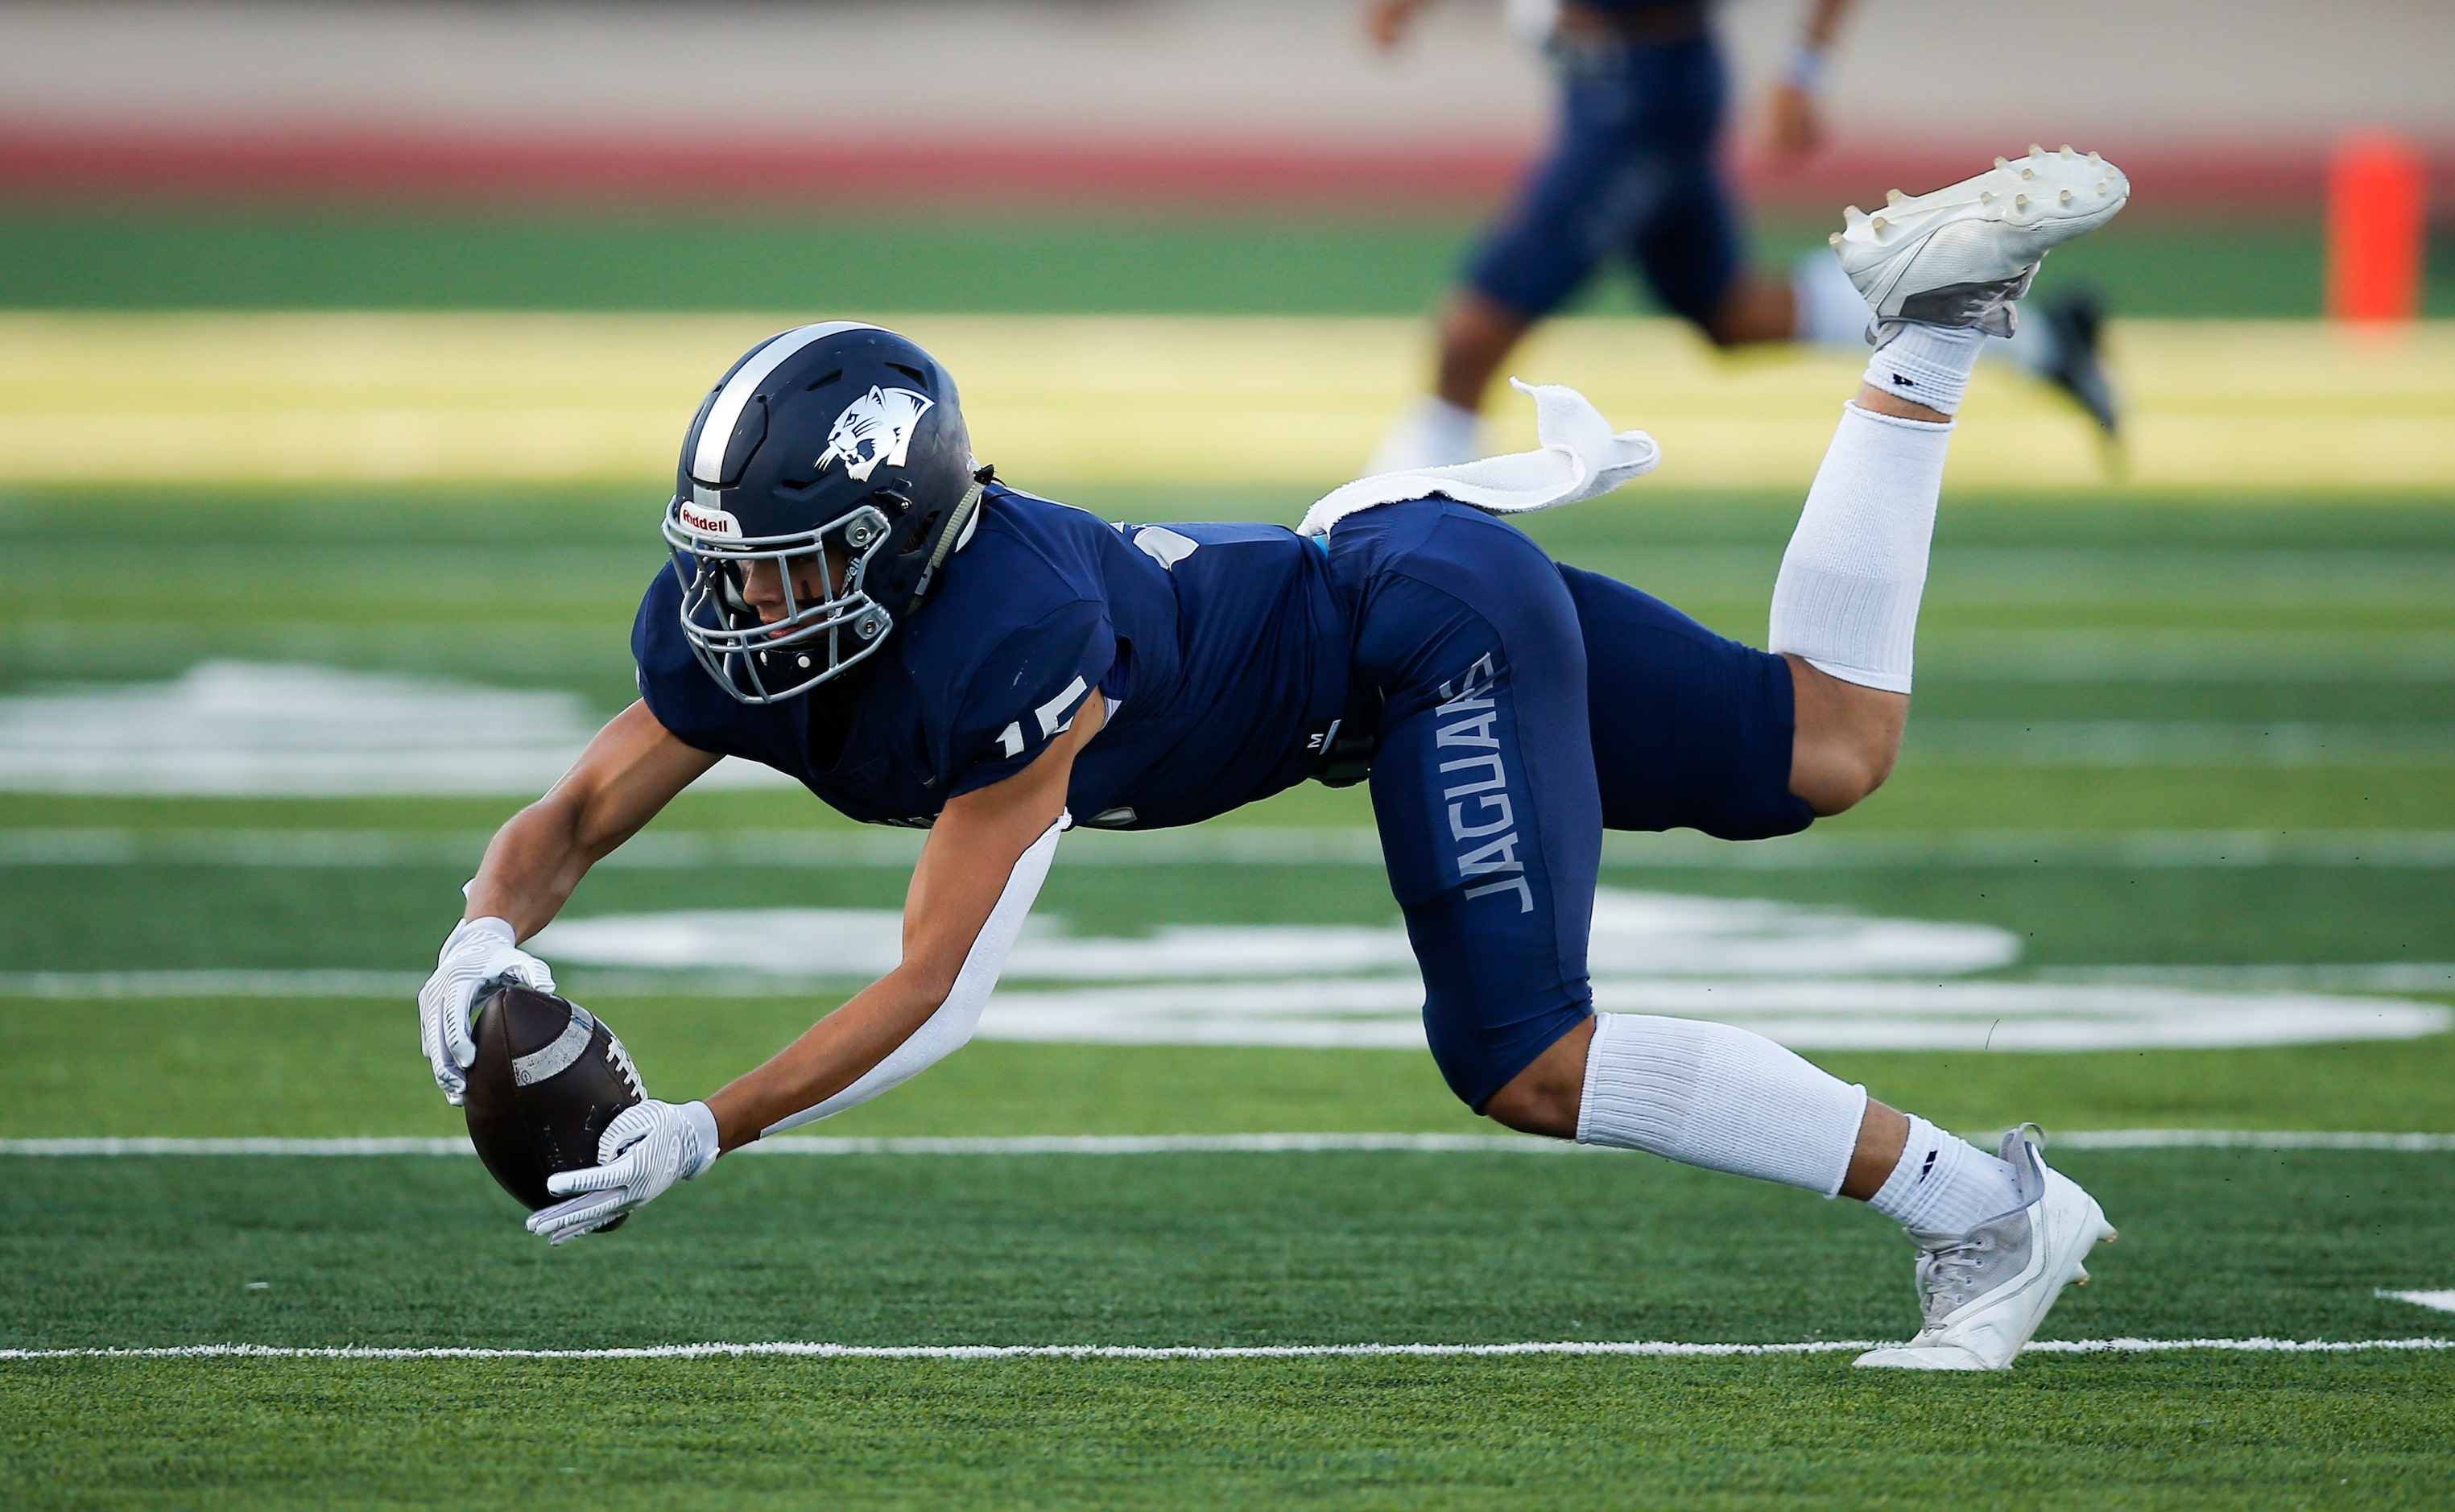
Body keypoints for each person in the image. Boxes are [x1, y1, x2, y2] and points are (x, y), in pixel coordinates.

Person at [419, 150, 2129, 1371]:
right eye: (724, 563)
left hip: (1417, 637)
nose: (737, 605)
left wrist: (713, 1126)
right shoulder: (755, 630)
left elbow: (940, 988)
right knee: (1825, 747)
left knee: (1522, 1055)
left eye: (783, 569)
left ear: (901, 539)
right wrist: (481, 935)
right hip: (1401, 581)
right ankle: (1932, 335)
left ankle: (1981, 1212)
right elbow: (573, 813)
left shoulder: (1010, 641)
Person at [1362, 0, 2122, 471]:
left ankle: (1378, 552)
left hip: (1643, 99)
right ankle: (2037, 337)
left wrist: (1802, 69)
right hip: (1608, 83)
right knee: (1735, 315)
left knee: (1472, 333)